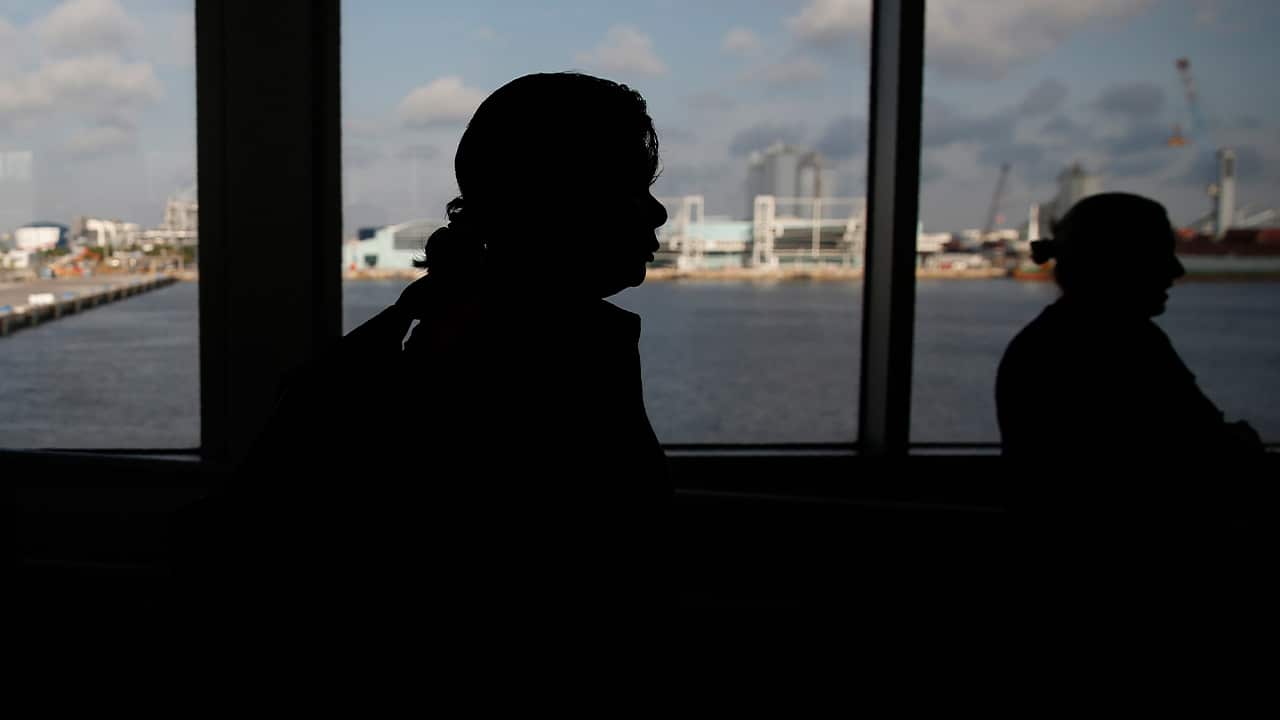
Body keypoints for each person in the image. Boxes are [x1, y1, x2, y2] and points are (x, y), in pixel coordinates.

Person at [180, 73, 670, 623]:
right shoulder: (556, 354)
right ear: (557, 201)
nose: (657, 213)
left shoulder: (444, 326)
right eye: (632, 189)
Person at [996, 192, 1262, 457]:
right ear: (1118, 262)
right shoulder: (1133, 345)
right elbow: (1205, 442)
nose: (1177, 270)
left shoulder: (1041, 343)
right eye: (1160, 255)